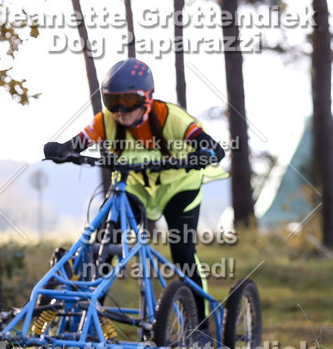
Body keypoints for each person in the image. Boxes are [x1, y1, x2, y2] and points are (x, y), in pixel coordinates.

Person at [43, 58, 228, 333]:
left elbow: (207, 144)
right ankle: (88, 319)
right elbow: (77, 144)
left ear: (147, 99)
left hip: (179, 185)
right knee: (107, 242)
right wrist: (63, 150)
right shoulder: (106, 120)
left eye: (128, 100)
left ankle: (201, 325)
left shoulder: (170, 117)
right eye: (111, 101)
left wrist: (206, 153)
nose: (119, 110)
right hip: (136, 184)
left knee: (183, 252)